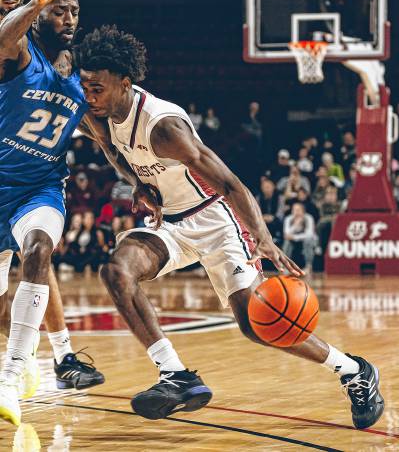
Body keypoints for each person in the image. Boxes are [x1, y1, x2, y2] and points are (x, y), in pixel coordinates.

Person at [73, 25, 384, 429]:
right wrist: (139, 184)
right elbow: (112, 150)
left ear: (125, 83)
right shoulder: (102, 114)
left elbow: (230, 183)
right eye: (85, 87)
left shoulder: (163, 127)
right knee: (116, 270)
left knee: (257, 324)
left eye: (96, 88)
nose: (89, 95)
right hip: (171, 222)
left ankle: (352, 370)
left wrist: (265, 240)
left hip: (216, 219)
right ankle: (175, 375)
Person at [0, 0, 107, 425]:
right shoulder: (19, 43)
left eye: (73, 13)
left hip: (38, 186)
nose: (67, 19)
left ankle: (22, 370)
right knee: (6, 298)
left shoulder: (75, 73)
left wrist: (142, 178)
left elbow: (105, 137)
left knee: (39, 252)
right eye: (58, 11)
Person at [282, 202, 316, 274]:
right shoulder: (288, 219)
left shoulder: (308, 218)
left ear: (303, 211)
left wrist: (294, 237)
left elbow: (309, 234)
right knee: (287, 242)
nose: (296, 212)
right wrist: (295, 225)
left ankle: (308, 266)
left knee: (308, 240)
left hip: (305, 240)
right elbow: (287, 234)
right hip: (293, 240)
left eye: (298, 210)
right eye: (294, 210)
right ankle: (286, 266)